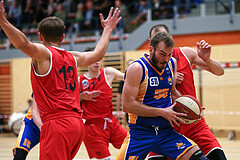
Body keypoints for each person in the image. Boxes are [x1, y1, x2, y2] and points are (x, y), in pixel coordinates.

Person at [0, 1, 121, 159]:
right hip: (77, 124)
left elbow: (22, 43)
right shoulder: (73, 56)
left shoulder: (44, 55)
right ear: (63, 37)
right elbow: (97, 54)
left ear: (40, 36)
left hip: (57, 124)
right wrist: (107, 30)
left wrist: (3, 20)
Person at [120, 32, 209, 160]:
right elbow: (127, 106)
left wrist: (190, 108)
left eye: (169, 54)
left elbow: (172, 93)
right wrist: (162, 112)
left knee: (199, 158)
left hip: (166, 132)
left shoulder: (172, 63)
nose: (166, 59)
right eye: (162, 54)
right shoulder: (137, 68)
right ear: (151, 49)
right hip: (140, 134)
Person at [147, 24, 226, 160]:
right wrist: (167, 79)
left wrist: (207, 59)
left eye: (165, 37)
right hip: (165, 125)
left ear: (171, 38)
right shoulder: (145, 66)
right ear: (151, 43)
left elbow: (220, 71)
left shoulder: (186, 53)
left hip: (192, 120)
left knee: (218, 156)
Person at [79, 47, 128, 160]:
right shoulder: (79, 81)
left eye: (99, 58)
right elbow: (69, 102)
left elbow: (128, 77)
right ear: (86, 61)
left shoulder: (108, 73)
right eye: (94, 59)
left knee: (133, 145)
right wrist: (82, 96)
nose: (97, 62)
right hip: (92, 127)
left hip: (110, 122)